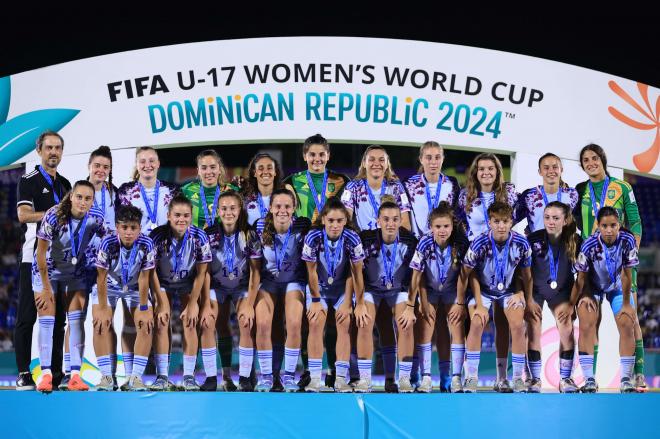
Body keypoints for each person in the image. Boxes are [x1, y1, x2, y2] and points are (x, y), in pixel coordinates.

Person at [574, 143, 646, 391]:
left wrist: (629, 254)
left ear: (602, 159)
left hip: (620, 265)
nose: (591, 163)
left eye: (594, 158)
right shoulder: (580, 190)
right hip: (592, 267)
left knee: (629, 318)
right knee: (589, 319)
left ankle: (637, 375)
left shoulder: (622, 187)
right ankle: (589, 379)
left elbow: (635, 223)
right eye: (585, 160)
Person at [341, 145, 412, 392]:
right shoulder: (352, 188)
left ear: (387, 163)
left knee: (391, 324)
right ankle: (363, 378)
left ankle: (395, 378)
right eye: (371, 159)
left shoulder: (397, 187)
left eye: (381, 160)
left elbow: (405, 223)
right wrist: (363, 246)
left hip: (393, 260)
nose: (376, 163)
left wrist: (393, 246)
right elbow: (346, 219)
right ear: (364, 162)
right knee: (366, 320)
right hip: (366, 258)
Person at [283, 134, 350, 388]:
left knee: (335, 317)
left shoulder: (341, 181)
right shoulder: (292, 182)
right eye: (312, 154)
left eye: (321, 154)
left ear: (328, 155)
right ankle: (309, 372)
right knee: (308, 316)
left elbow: (347, 214)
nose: (317, 159)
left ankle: (335, 370)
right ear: (304, 156)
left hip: (333, 251)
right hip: (304, 252)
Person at [33, 180, 106, 391]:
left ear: (93, 201)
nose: (83, 202)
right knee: (47, 319)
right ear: (71, 197)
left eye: (88, 198)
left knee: (76, 320)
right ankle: (45, 375)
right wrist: (46, 288)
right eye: (80, 197)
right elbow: (40, 252)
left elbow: (109, 244)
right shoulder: (54, 215)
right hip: (47, 270)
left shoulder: (97, 217)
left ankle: (75, 375)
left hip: (76, 271)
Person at [456, 152, 519, 392]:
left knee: (503, 323)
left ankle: (502, 377)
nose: (486, 173)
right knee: (477, 320)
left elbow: (514, 218)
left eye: (491, 168)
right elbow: (459, 224)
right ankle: (469, 375)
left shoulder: (509, 193)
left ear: (497, 171)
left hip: (503, 263)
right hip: (476, 263)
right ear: (475, 172)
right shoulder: (465, 196)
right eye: (481, 168)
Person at [15, 130, 71, 390]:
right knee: (28, 315)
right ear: (39, 150)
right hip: (32, 256)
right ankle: (24, 372)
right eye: (49, 148)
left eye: (58, 148)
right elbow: (23, 215)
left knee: (59, 319)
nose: (53, 152)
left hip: (58, 262)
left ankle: (56, 372)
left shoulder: (66, 185)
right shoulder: (29, 180)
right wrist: (52, 213)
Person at [457, 202, 532, 393]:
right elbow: (468, 274)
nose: (501, 226)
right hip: (482, 290)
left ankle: (515, 379)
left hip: (508, 291)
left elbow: (526, 275)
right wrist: (479, 304)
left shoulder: (522, 243)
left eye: (505, 221)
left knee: (518, 325)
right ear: (489, 222)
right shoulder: (479, 243)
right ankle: (471, 377)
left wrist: (524, 296)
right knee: (476, 321)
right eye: (496, 221)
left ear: (511, 222)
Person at [301, 197, 365, 392]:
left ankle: (341, 379)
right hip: (318, 287)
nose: (335, 225)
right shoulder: (312, 237)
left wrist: (351, 302)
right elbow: (311, 272)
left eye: (339, 221)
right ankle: (314, 378)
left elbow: (355, 273)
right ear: (323, 220)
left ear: (345, 220)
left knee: (344, 323)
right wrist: (315, 300)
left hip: (342, 288)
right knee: (315, 322)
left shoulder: (352, 238)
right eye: (331, 221)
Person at [354, 197, 417, 393]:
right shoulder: (365, 240)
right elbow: (356, 272)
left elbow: (416, 276)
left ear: (400, 221)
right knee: (364, 321)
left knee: (405, 324)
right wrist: (359, 302)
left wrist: (411, 306)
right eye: (386, 219)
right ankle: (365, 380)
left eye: (395, 219)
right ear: (378, 221)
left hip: (398, 289)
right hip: (370, 289)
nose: (390, 224)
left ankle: (403, 379)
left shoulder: (410, 241)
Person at [572, 207, 639, 393]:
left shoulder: (627, 240)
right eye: (604, 226)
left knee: (627, 322)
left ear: (619, 225)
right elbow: (581, 279)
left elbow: (627, 275)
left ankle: (626, 379)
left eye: (613, 225)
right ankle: (589, 379)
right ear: (598, 226)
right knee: (586, 323)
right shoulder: (588, 245)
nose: (609, 230)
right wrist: (580, 299)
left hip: (617, 287)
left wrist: (626, 303)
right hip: (592, 287)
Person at [149, 195, 211, 391]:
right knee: (161, 320)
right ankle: (162, 376)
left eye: (186, 215)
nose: (181, 219)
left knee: (190, 321)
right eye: (177, 215)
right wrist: (161, 300)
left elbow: (202, 272)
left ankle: (189, 376)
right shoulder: (157, 236)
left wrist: (193, 303)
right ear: (168, 215)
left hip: (188, 283)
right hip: (163, 283)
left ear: (191, 217)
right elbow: (150, 271)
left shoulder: (200, 237)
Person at [251, 189, 310, 392]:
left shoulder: (303, 225)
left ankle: (289, 376)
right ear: (270, 208)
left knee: (294, 323)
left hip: (294, 280)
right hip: (268, 282)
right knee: (263, 323)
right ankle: (266, 376)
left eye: (287, 206)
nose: (282, 210)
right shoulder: (259, 226)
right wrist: (250, 300)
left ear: (294, 208)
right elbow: (255, 266)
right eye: (278, 206)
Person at [92, 205, 155, 391]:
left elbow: (145, 278)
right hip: (109, 286)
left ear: (139, 228)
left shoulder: (146, 243)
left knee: (146, 324)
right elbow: (101, 276)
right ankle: (106, 377)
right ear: (117, 227)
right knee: (100, 322)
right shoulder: (107, 242)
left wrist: (144, 309)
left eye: (133, 228)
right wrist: (103, 308)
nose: (128, 232)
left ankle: (134, 378)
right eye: (124, 227)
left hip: (135, 286)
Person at [202, 190, 261, 391]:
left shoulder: (250, 234)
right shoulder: (208, 235)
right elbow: (205, 272)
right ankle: (213, 377)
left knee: (245, 321)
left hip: (242, 286)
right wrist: (205, 302)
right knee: (208, 322)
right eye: (224, 208)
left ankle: (244, 378)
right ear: (217, 211)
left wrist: (250, 304)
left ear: (240, 210)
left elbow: (255, 272)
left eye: (233, 208)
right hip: (216, 286)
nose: (229, 212)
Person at [409, 202, 470, 393]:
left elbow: (464, 275)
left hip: (453, 290)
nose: (442, 230)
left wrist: (460, 302)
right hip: (430, 289)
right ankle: (426, 377)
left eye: (446, 226)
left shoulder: (460, 244)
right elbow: (418, 276)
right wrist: (423, 302)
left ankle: (455, 378)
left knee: (456, 327)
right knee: (425, 327)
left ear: (452, 226)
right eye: (437, 227)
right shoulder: (424, 243)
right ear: (430, 227)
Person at [527, 201, 581, 393]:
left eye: (556, 218)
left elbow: (581, 277)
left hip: (561, 292)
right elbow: (523, 273)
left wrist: (572, 304)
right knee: (533, 326)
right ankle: (534, 379)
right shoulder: (532, 240)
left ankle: (566, 379)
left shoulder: (575, 241)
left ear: (565, 220)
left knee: (566, 327)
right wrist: (528, 299)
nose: (550, 222)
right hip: (535, 289)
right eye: (547, 217)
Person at [403, 141, 460, 238]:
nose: (433, 162)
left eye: (437, 157)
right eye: (428, 157)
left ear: (443, 159)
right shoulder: (408, 184)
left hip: (445, 243)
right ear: (421, 159)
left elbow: (456, 217)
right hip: (417, 244)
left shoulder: (452, 184)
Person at [117, 146, 179, 234]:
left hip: (165, 245)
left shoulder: (172, 190)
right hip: (137, 246)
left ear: (158, 163)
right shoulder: (125, 192)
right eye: (142, 161)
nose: (147, 165)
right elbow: (119, 224)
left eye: (151, 161)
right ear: (137, 165)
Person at [516, 153, 579, 234]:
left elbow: (578, 222)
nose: (551, 171)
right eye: (546, 168)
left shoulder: (572, 194)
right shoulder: (529, 196)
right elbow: (510, 220)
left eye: (555, 167)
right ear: (540, 172)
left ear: (561, 170)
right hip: (538, 245)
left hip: (565, 245)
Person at [181, 149, 239, 229]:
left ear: (219, 169)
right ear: (198, 171)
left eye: (212, 167)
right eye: (204, 168)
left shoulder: (232, 191)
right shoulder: (187, 190)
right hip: (194, 240)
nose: (208, 172)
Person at [242, 153, 284, 226]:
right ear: (254, 173)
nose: (265, 172)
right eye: (261, 168)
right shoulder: (245, 200)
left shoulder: (284, 198)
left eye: (269, 168)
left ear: (275, 172)